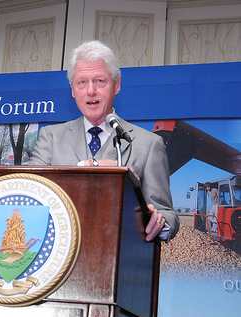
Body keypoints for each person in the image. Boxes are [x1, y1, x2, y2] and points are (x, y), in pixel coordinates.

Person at [30, 40, 179, 242]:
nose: (91, 91)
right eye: (82, 82)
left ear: (116, 84)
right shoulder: (50, 137)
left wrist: (158, 222)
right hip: (58, 256)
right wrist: (92, 166)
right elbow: (31, 196)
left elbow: (166, 212)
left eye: (100, 81)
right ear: (73, 89)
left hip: (119, 258)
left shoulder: (149, 144)